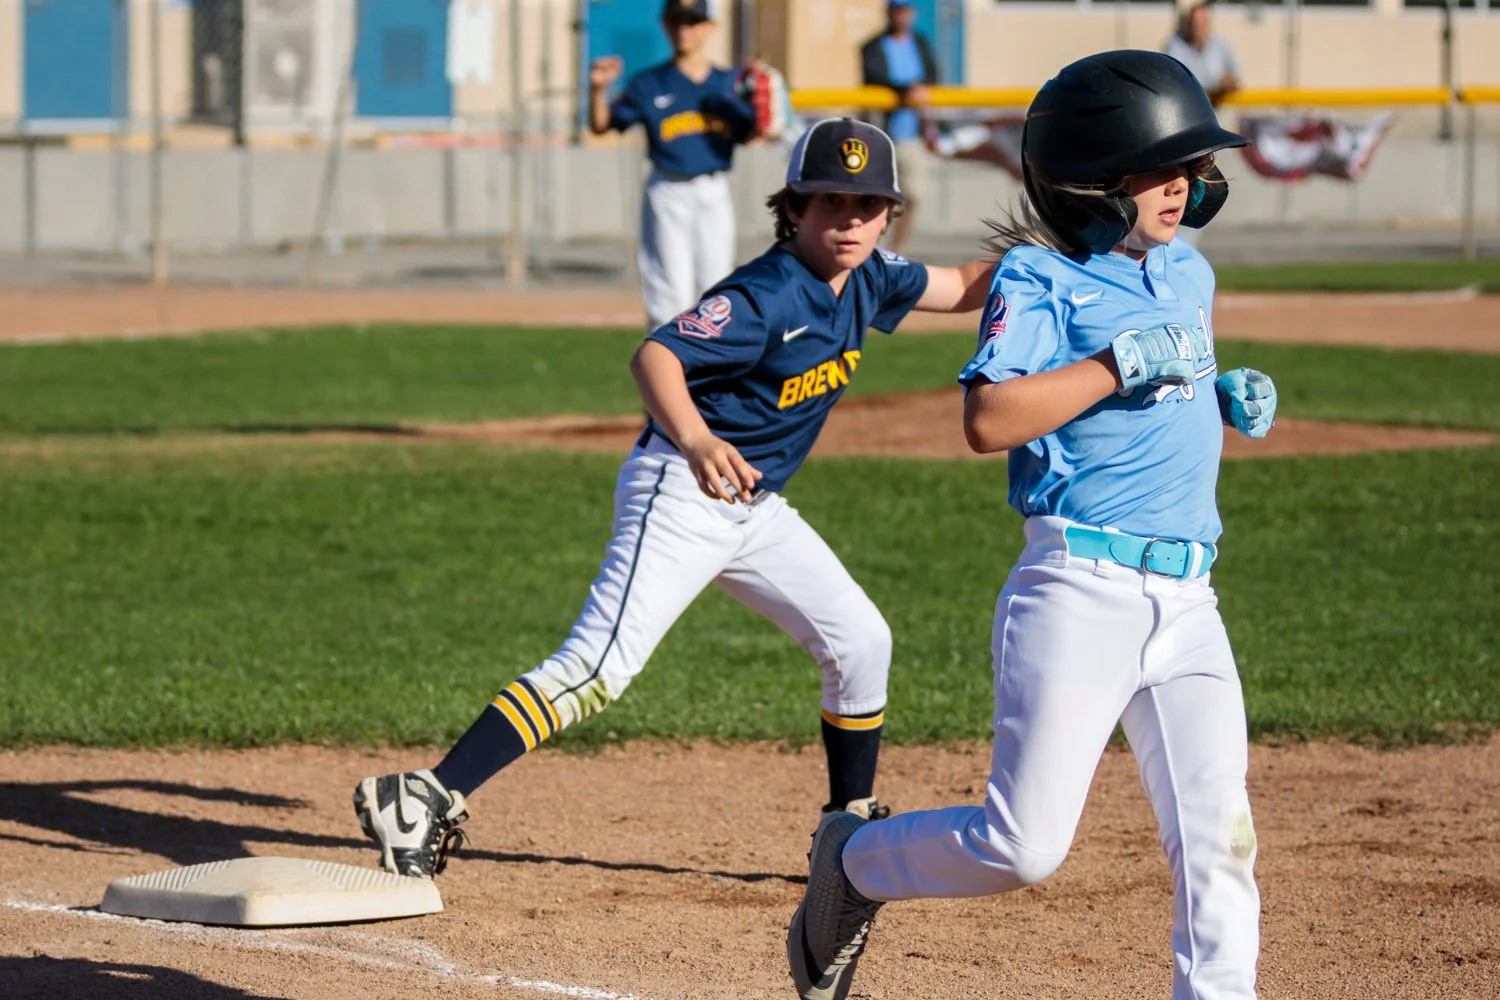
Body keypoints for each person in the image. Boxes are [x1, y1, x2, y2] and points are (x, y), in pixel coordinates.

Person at [354, 118, 996, 880]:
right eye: (831, 202)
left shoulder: (873, 276)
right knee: (598, 667)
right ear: (794, 208)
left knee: (862, 642)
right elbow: (656, 353)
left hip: (754, 507)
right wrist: (694, 439)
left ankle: (845, 830)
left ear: (889, 213)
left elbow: (963, 285)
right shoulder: (765, 294)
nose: (850, 220)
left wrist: (1059, 264)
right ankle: (422, 796)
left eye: (867, 204)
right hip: (681, 492)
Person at [788, 51, 1277, 1000]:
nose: (1182, 183)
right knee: (1020, 847)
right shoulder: (1039, 276)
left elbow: (1159, 385)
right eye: (1158, 167)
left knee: (1221, 836)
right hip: (1080, 591)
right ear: (1092, 176)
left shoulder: (1188, 271)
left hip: (1191, 598)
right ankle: (853, 860)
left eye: (1189, 164)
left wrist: (1217, 393)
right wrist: (1114, 366)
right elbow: (989, 419)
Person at [587, 0, 757, 331]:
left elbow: (750, 132)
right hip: (667, 189)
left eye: (692, 22)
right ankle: (664, 361)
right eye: (677, 21)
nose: (684, 30)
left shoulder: (729, 83)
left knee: (718, 289)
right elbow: (602, 125)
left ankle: (714, 362)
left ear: (710, 28)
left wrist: (767, 109)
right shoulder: (649, 82)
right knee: (668, 294)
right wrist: (597, 90)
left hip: (713, 188)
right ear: (665, 24)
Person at [860, 0, 939, 255]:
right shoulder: (872, 46)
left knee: (913, 195)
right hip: (882, 133)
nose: (900, 15)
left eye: (904, 10)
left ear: (912, 13)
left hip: (912, 133)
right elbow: (876, 79)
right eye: (896, 10)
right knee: (878, 196)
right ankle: (870, 247)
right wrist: (906, 91)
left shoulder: (920, 43)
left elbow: (933, 76)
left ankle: (895, 249)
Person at [1166, 1, 1242, 108]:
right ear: (1189, 24)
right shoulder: (1176, 46)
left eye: (1203, 23)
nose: (1199, 27)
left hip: (1218, 111)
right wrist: (1209, 89)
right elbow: (1173, 81)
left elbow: (1236, 80)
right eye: (1195, 23)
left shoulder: (1221, 45)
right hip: (1189, 110)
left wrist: (1226, 83)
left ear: (1208, 23)